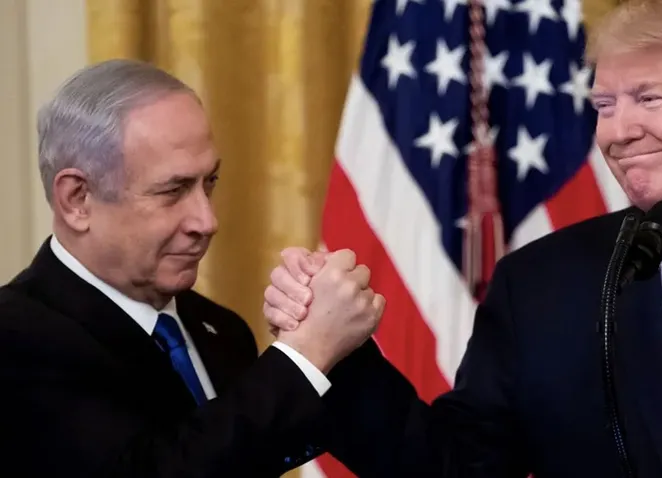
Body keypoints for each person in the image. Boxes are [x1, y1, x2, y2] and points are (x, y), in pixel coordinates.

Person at [264, 0, 662, 477]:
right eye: (604, 105)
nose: (617, 132)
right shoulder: (542, 285)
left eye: (648, 98)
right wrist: (334, 353)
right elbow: (454, 466)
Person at [0, 59, 384, 477]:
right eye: (174, 190)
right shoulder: (17, 336)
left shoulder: (221, 330)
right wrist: (306, 352)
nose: (207, 221)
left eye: (209, 183)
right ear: (77, 200)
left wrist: (328, 339)